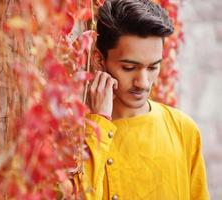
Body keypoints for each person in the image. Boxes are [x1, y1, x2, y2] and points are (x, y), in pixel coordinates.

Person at [74, 0, 210, 199]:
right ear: (99, 60)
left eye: (153, 67)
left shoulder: (183, 130)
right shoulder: (78, 135)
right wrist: (100, 123)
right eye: (129, 68)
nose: (143, 83)